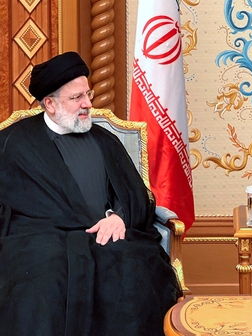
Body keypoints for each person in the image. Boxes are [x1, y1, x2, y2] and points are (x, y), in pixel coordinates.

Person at [0, 52, 182, 335]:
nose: (87, 104)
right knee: (38, 278)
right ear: (50, 103)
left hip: (106, 236)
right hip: (39, 240)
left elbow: (135, 194)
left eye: (88, 94)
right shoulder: (12, 143)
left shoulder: (104, 140)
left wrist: (118, 217)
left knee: (133, 269)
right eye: (77, 97)